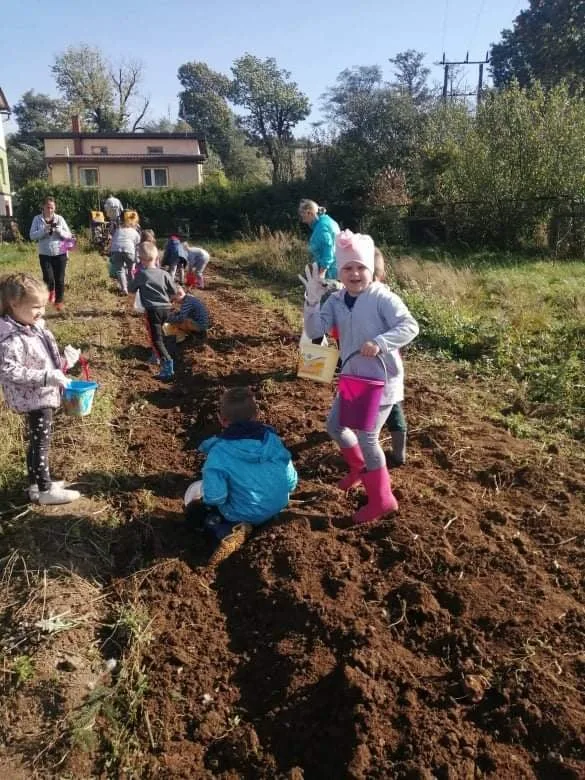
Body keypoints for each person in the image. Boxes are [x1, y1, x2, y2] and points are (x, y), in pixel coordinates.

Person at [300, 230, 419, 525]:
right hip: (354, 377)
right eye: (348, 268)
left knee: (367, 436)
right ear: (340, 272)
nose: (354, 273)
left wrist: (380, 341)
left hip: (381, 380)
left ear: (371, 269)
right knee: (335, 426)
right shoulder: (337, 300)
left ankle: (382, 500)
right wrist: (312, 302)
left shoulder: (382, 298)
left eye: (360, 267)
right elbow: (316, 332)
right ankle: (358, 470)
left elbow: (410, 326)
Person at [184, 386, 298, 564]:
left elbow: (216, 497)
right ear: (256, 415)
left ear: (222, 420)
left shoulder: (219, 453)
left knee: (195, 513)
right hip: (278, 504)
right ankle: (263, 518)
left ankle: (225, 531)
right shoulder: (272, 440)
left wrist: (205, 500)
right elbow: (291, 480)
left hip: (241, 512)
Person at [0, 273, 81, 505]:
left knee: (36, 442)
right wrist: (47, 377)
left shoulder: (31, 327)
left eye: (43, 306)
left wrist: (65, 361)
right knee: (41, 443)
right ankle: (45, 490)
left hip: (42, 393)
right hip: (35, 398)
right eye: (36, 307)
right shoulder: (10, 338)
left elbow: (45, 360)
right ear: (14, 304)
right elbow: (9, 371)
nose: (41, 312)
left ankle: (36, 484)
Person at [373, 247, 408, 467]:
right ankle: (398, 452)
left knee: (391, 405)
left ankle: (397, 454)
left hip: (384, 366)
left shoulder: (385, 299)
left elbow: (404, 328)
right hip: (374, 364)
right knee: (392, 406)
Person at [129, 242, 179, 380]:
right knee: (162, 336)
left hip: (153, 311)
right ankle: (164, 356)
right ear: (156, 257)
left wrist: (132, 276)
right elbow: (174, 292)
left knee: (155, 340)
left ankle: (167, 364)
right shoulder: (164, 273)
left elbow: (131, 290)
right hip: (166, 309)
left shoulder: (142, 274)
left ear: (141, 259)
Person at [29, 197, 73, 312]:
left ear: (55, 208)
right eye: (48, 207)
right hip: (45, 254)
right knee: (48, 278)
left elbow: (69, 235)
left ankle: (59, 302)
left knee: (60, 279)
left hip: (60, 253)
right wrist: (43, 230)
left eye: (52, 207)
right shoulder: (37, 219)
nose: (50, 209)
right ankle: (51, 292)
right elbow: (32, 236)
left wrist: (59, 231)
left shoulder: (59, 219)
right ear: (43, 207)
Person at [298, 199, 340, 281]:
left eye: (302, 214)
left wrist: (321, 273)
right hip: (335, 269)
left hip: (331, 274)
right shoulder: (325, 221)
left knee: (329, 294)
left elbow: (329, 251)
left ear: (309, 212)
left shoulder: (322, 227)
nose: (302, 219)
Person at [109, 219, 140, 295]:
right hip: (129, 250)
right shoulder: (134, 232)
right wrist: (137, 258)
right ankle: (132, 288)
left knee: (120, 270)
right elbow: (138, 245)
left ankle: (124, 289)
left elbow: (112, 241)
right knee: (131, 269)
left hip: (116, 250)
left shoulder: (118, 230)